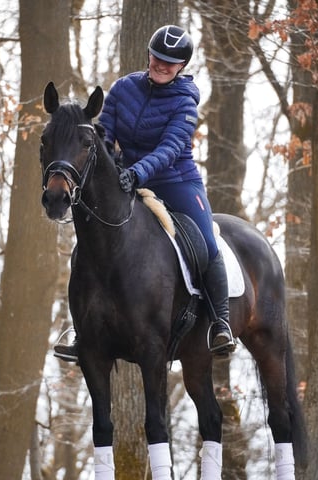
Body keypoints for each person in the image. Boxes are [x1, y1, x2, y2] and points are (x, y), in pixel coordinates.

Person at [54, 24, 235, 362]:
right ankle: (82, 328)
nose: (161, 66)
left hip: (175, 180)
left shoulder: (185, 100)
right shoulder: (124, 88)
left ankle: (220, 322)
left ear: (181, 67)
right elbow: (104, 135)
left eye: (170, 63)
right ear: (149, 55)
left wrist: (137, 173)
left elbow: (170, 148)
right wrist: (108, 166)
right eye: (158, 58)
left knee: (208, 244)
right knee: (91, 243)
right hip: (124, 176)